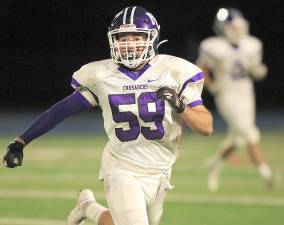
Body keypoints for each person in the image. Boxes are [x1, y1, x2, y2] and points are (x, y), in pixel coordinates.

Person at [3, 6, 213, 225]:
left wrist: (180, 106)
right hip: (121, 167)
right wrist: (21, 141)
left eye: (137, 37)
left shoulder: (174, 71)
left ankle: (88, 207)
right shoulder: (102, 75)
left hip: (161, 170)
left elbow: (206, 127)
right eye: (123, 38)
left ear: (152, 38)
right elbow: (61, 110)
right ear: (113, 41)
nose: (130, 44)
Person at [196, 7, 273, 192]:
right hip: (227, 94)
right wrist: (213, 86)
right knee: (249, 133)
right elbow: (201, 69)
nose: (238, 31)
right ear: (223, 28)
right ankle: (266, 173)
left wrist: (257, 71)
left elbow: (253, 68)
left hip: (246, 92)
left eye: (239, 27)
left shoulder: (252, 44)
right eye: (233, 27)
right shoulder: (212, 45)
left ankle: (214, 165)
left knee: (237, 139)